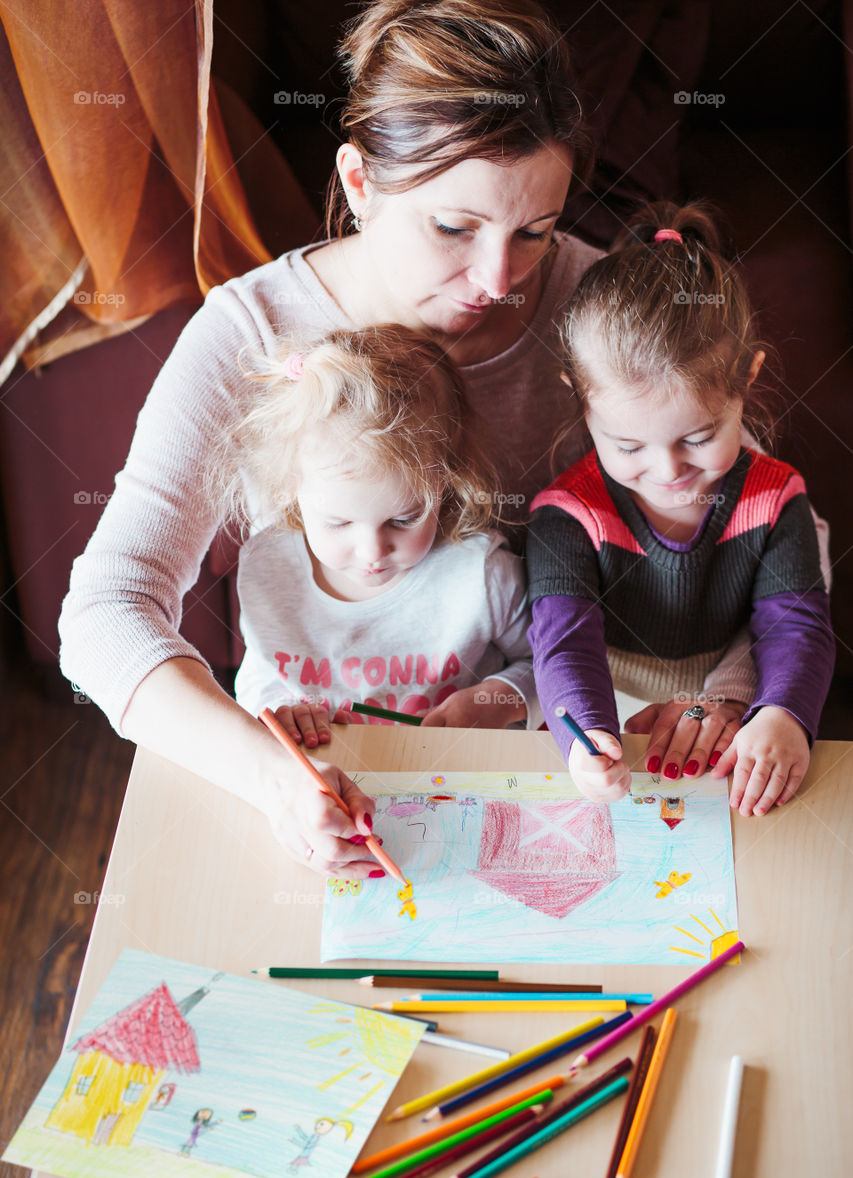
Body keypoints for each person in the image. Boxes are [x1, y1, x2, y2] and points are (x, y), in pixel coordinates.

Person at [57, 0, 823, 879]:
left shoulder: (598, 311)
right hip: (335, 759)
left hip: (572, 750)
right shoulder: (253, 333)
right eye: (453, 229)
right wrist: (273, 781)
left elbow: (757, 524)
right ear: (357, 182)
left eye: (533, 231)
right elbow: (107, 609)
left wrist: (726, 693)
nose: (499, 279)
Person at [526, 202, 835, 817]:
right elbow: (564, 643)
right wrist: (588, 737)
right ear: (580, 400)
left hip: (733, 702)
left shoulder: (775, 498)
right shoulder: (566, 513)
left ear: (748, 378)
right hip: (600, 709)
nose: (668, 472)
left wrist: (783, 715)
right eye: (629, 445)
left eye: (697, 438)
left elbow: (795, 625)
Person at [219, 325, 537, 781]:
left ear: (444, 484)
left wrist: (493, 701)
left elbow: (547, 666)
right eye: (339, 523)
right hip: (329, 783)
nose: (373, 552)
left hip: (461, 779)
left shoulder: (481, 575)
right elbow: (259, 672)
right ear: (291, 491)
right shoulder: (270, 567)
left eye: (403, 519)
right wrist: (276, 710)